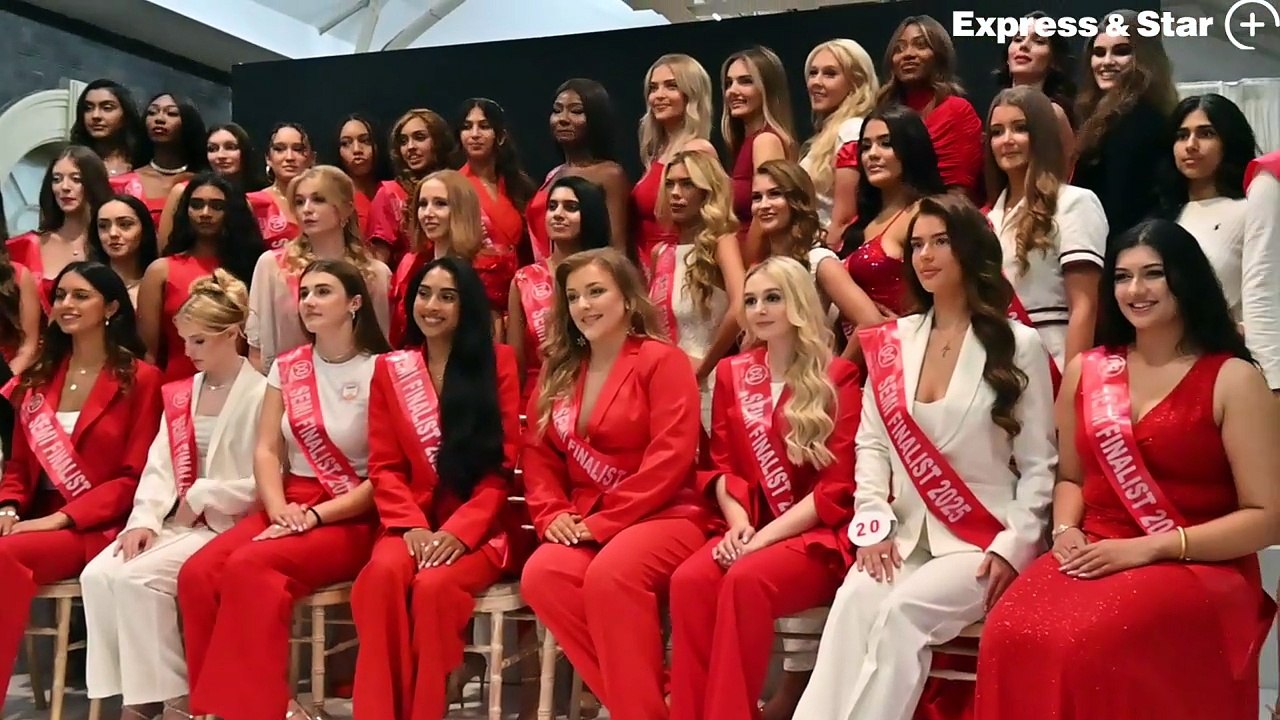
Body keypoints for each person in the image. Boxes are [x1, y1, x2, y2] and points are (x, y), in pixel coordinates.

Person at [973, 219, 1280, 720]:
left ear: (1185, 278)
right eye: (1121, 277)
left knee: (1086, 644)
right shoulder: (1088, 370)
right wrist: (1067, 529)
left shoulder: (1233, 379)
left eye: (1152, 274)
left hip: (1199, 562)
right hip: (1096, 549)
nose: (1135, 290)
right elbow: (1071, 477)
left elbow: (1267, 516)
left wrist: (1151, 546)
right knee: (1008, 629)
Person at [795, 194, 1057, 720]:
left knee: (902, 614)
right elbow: (871, 444)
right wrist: (872, 518)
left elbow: (1039, 465)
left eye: (941, 241)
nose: (926, 255)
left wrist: (1015, 545)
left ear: (970, 250)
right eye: (917, 244)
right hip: (903, 533)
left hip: (981, 541)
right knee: (851, 607)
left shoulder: (1018, 345)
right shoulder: (892, 341)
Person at [178, 259, 391, 720]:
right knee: (198, 574)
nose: (309, 301)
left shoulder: (381, 371)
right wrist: (278, 508)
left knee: (251, 566)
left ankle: (255, 710)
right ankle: (223, 705)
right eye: (306, 291)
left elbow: (385, 475)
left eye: (323, 292)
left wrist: (315, 516)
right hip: (288, 502)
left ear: (355, 303)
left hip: (347, 513)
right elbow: (266, 450)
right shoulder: (288, 368)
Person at [520, 248, 712, 720]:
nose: (584, 305)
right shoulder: (560, 369)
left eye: (596, 291)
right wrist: (553, 514)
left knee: (612, 577)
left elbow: (671, 459)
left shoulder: (662, 361)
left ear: (628, 298)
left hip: (667, 513)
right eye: (574, 297)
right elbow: (539, 456)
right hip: (587, 518)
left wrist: (603, 522)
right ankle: (648, 706)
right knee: (543, 575)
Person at [669, 256, 861, 720]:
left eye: (772, 297)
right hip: (750, 528)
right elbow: (721, 465)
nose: (759, 309)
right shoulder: (735, 373)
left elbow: (835, 489)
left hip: (816, 539)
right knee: (689, 580)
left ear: (797, 304)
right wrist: (738, 525)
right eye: (751, 300)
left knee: (745, 580)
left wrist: (761, 541)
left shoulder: (838, 376)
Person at [80, 270, 264, 718]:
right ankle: (134, 691)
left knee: (135, 579)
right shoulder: (183, 392)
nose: (188, 351)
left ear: (232, 334)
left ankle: (165, 700)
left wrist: (206, 493)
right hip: (175, 521)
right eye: (183, 340)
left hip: (226, 522)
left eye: (199, 341)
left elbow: (267, 479)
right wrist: (142, 520)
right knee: (97, 575)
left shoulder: (262, 392)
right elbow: (159, 465)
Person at [351, 257, 522, 720]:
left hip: (479, 529)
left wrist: (459, 532)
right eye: (424, 293)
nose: (432, 305)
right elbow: (385, 466)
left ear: (466, 306)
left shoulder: (498, 363)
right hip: (410, 524)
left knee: (431, 590)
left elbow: (501, 467)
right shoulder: (391, 368)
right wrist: (409, 525)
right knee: (383, 576)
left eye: (448, 296)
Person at [0, 262, 163, 705]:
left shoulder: (142, 380)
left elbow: (133, 478)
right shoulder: (37, 379)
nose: (66, 305)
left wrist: (56, 520)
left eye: (81, 295)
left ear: (110, 306)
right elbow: (16, 466)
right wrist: (9, 509)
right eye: (62, 295)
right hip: (32, 523)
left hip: (94, 527)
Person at [985, 86, 1107, 371]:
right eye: (997, 132)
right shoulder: (988, 219)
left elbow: (1084, 307)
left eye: (1020, 128)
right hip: (998, 369)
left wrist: (1072, 387)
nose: (1007, 140)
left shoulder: (1074, 202)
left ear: (1041, 135)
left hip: (1053, 363)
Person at [247, 165, 391, 373]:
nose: (306, 209)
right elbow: (256, 351)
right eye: (299, 202)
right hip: (293, 391)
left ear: (346, 208)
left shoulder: (375, 273)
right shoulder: (271, 266)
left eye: (318, 199)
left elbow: (380, 346)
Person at [650, 150, 746, 430]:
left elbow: (741, 308)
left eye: (687, 184)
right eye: (670, 184)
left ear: (707, 192)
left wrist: (704, 367)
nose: (676, 193)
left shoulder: (721, 243)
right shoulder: (661, 253)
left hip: (709, 384)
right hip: (664, 385)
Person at [1072, 9, 1178, 243]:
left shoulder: (1139, 119)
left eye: (1121, 51)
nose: (1106, 62)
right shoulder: (1102, 117)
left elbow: (1122, 206)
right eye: (1099, 53)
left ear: (1144, 58)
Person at [508, 176, 613, 404]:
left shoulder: (610, 274)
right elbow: (516, 365)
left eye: (571, 207)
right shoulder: (524, 280)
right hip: (539, 400)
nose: (558, 214)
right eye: (552, 206)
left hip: (596, 398)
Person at [527, 79, 631, 257]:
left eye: (576, 111)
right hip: (544, 276)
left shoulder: (609, 175)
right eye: (557, 110)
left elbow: (617, 249)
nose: (563, 119)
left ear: (596, 119)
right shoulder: (553, 174)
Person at [632, 54, 718, 265]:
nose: (658, 95)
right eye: (653, 88)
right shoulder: (657, 153)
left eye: (671, 86)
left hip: (680, 263)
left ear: (691, 94)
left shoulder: (698, 149)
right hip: (648, 265)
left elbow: (713, 219)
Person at [7, 146, 114, 313]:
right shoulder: (25, 246)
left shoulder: (111, 241)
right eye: (56, 179)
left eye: (76, 179)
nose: (64, 187)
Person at [797, 39, 878, 245]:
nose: (816, 82)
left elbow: (845, 218)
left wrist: (827, 260)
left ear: (856, 82)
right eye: (813, 73)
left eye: (830, 74)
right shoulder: (828, 135)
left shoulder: (851, 131)